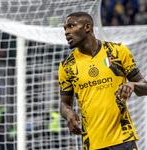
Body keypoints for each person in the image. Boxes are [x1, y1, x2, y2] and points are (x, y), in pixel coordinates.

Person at [59, 11, 147, 150]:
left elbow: (145, 87)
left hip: (123, 140)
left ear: (87, 27)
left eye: (71, 26)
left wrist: (133, 85)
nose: (67, 32)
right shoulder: (67, 66)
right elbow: (64, 104)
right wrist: (68, 113)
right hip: (92, 143)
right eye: (65, 28)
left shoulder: (117, 51)